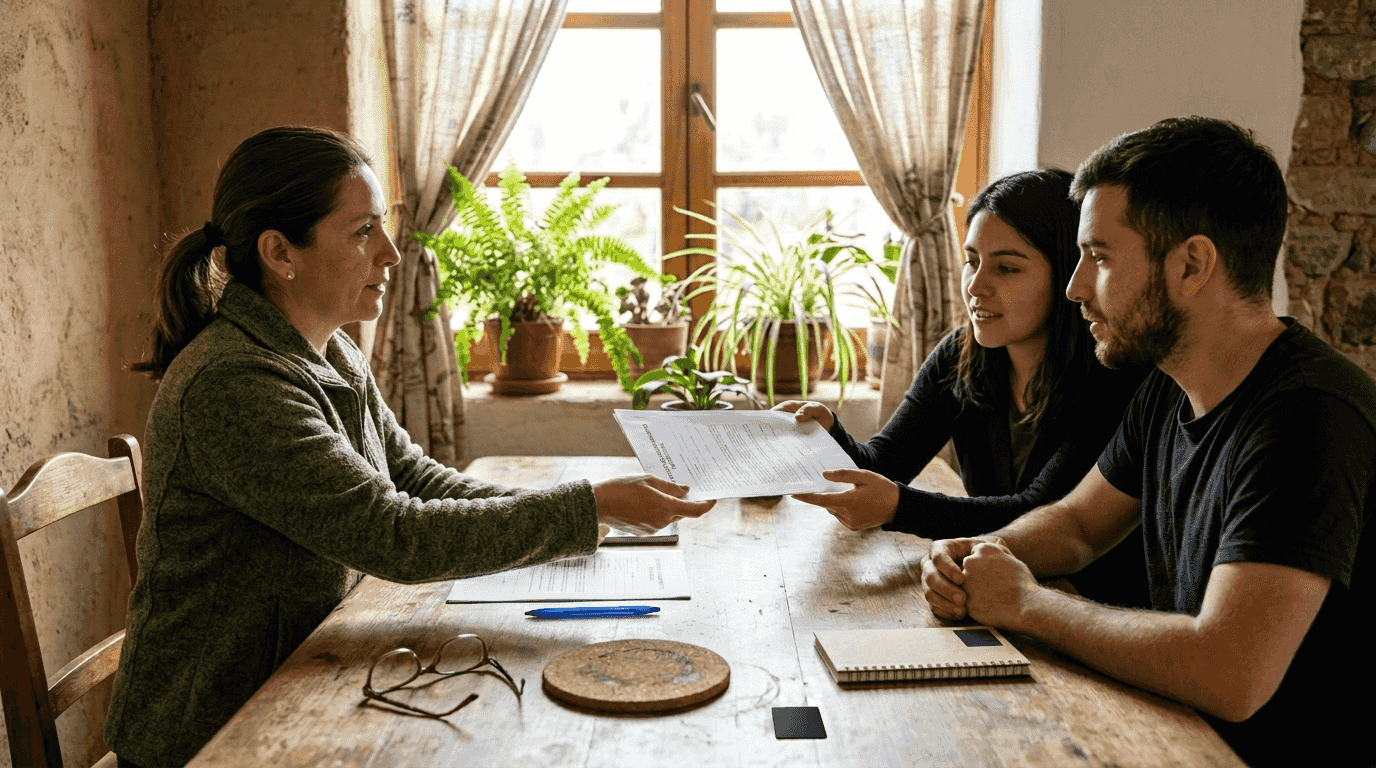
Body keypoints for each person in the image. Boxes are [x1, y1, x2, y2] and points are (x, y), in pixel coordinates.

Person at [104, 126, 715, 768]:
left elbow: (414, 479)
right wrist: (585, 509)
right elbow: (393, 534)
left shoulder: (328, 349)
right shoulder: (232, 384)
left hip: (300, 678)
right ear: (280, 252)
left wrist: (581, 513)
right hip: (212, 731)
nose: (391, 253)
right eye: (363, 231)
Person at [920, 117, 1374, 766]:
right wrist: (980, 553)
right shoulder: (1169, 385)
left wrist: (1025, 602)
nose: (1075, 287)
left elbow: (1229, 671)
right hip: (1178, 735)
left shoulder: (1309, 418)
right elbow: (1079, 525)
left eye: (1100, 258)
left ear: (1191, 265)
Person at [778, 169, 1150, 608]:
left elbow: (1041, 514)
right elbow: (885, 465)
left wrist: (898, 507)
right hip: (987, 593)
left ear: (1069, 274)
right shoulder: (959, 356)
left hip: (1091, 608)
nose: (975, 286)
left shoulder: (1114, 376)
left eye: (1006, 268)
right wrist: (828, 434)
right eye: (972, 261)